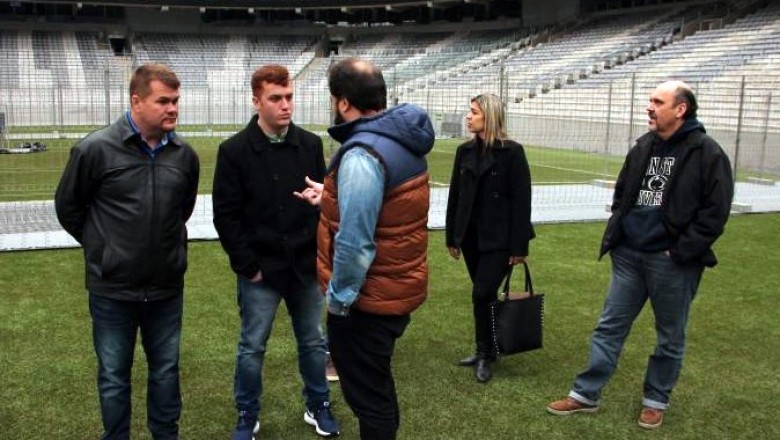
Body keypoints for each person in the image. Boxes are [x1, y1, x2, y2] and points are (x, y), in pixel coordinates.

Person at [547, 80, 733, 429]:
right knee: (609, 326)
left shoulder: (707, 152)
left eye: (658, 102)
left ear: (680, 109)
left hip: (672, 262)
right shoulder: (643, 145)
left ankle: (655, 400)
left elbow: (715, 212)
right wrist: (620, 237)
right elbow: (622, 192)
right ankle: (586, 393)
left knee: (670, 336)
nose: (650, 107)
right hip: (629, 256)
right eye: (650, 100)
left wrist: (680, 250)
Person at [54, 63, 200, 440]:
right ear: (136, 101)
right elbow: (69, 208)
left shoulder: (185, 155)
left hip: (166, 289)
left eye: (176, 101)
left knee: (165, 372)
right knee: (114, 376)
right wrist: (104, 247)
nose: (173, 108)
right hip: (112, 290)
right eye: (163, 101)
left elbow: (182, 210)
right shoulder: (94, 149)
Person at [297, 57, 434, 440]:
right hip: (394, 291)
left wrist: (339, 302)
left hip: (366, 302)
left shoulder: (362, 154)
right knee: (377, 389)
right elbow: (389, 209)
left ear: (343, 102)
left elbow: (356, 242)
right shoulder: (400, 141)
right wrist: (331, 196)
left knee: (370, 401)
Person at [212, 64, 339, 440]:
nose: (285, 105)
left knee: (313, 342)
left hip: (304, 266)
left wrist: (319, 250)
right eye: (276, 98)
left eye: (289, 97)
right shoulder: (234, 151)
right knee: (252, 347)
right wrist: (248, 265)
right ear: (256, 102)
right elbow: (226, 215)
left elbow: (321, 203)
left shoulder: (310, 144)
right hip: (261, 270)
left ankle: (318, 404)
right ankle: (247, 412)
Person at [445, 93, 535, 384]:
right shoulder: (464, 151)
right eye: (469, 111)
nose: (468, 116)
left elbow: (522, 202)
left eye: (474, 112)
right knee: (483, 294)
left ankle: (484, 352)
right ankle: (488, 348)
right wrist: (452, 237)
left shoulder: (512, 152)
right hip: (471, 237)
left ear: (490, 116)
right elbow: (455, 196)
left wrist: (519, 247)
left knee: (482, 293)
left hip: (500, 239)